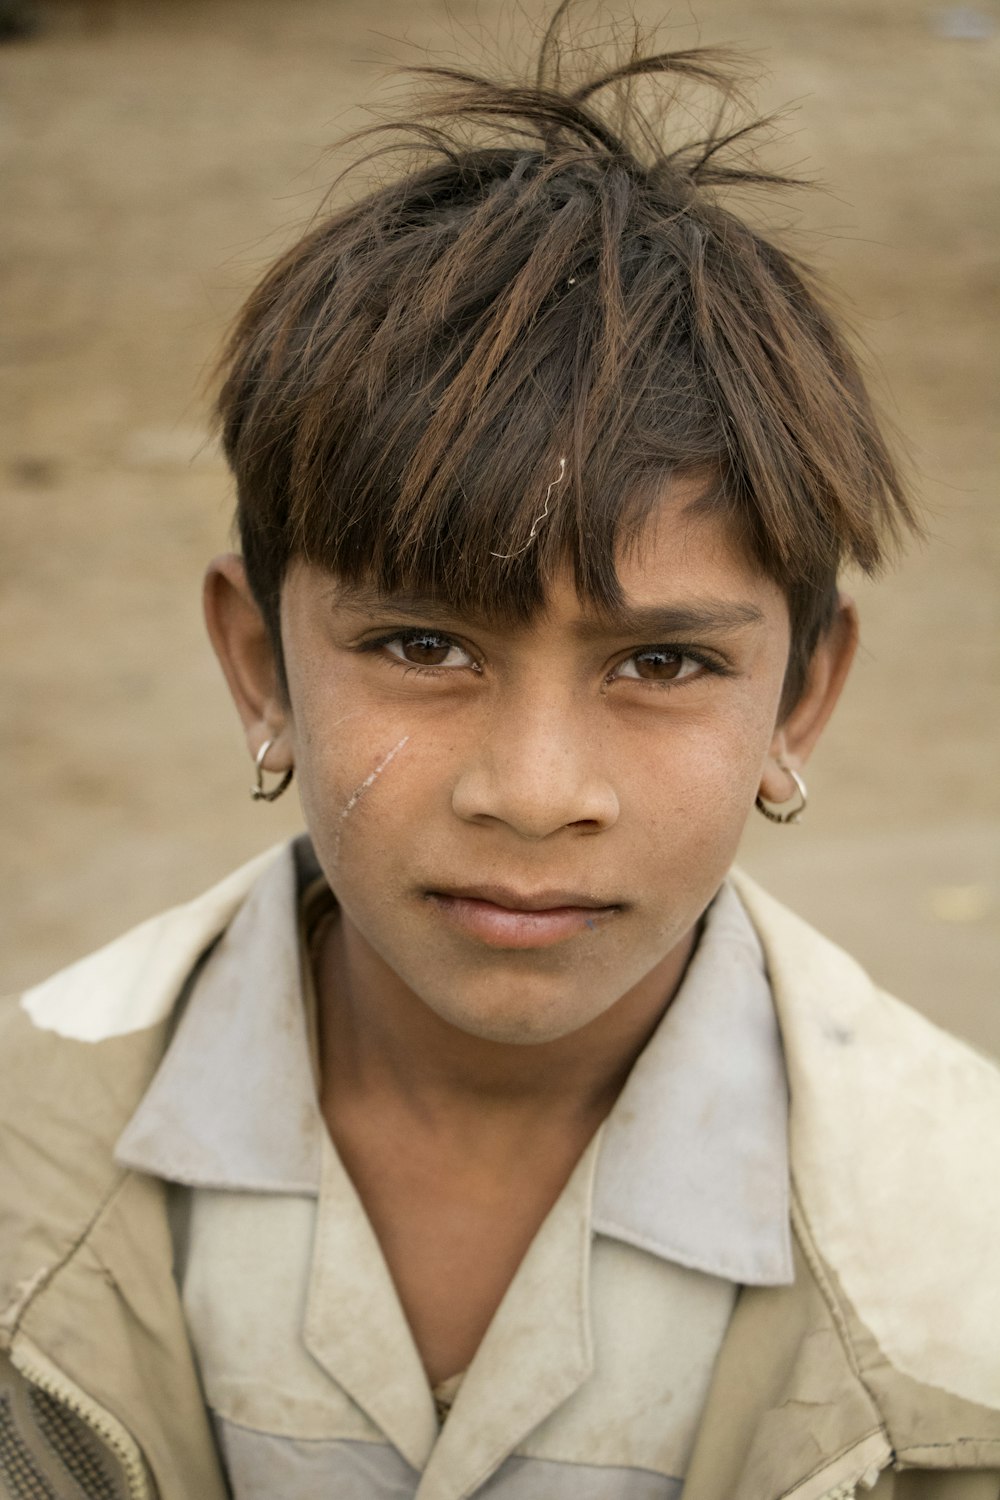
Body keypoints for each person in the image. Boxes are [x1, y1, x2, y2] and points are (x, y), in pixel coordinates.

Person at [2, 14, 998, 1500]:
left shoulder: (963, 1247)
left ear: (802, 701)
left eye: (663, 665)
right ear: (261, 663)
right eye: (423, 647)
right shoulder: (28, 1163)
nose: (534, 793)